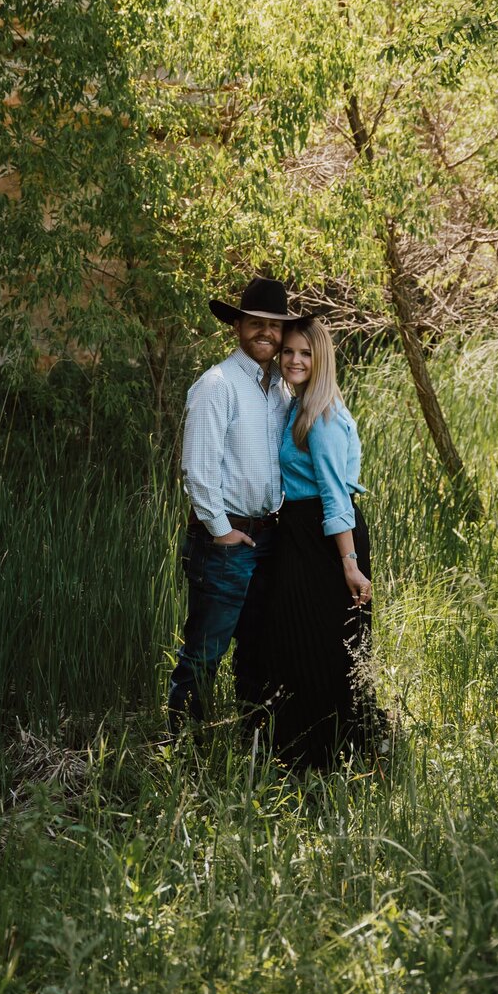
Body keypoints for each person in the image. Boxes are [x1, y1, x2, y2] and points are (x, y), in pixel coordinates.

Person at [170, 276, 295, 728]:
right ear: (238, 325)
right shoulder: (217, 385)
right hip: (225, 540)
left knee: (257, 647)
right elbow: (197, 470)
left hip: (267, 536)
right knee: (205, 652)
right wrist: (222, 532)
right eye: (256, 322)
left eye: (275, 325)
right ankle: (186, 750)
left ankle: (251, 740)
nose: (266, 332)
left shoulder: (280, 389)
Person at [260, 315, 384, 770]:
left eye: (305, 353)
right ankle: (304, 755)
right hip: (299, 534)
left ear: (321, 359)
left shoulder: (323, 415)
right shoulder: (299, 404)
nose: (294, 360)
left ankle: (334, 759)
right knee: (296, 642)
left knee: (328, 647)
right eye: (289, 351)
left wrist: (349, 563)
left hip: (326, 539)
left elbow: (335, 496)